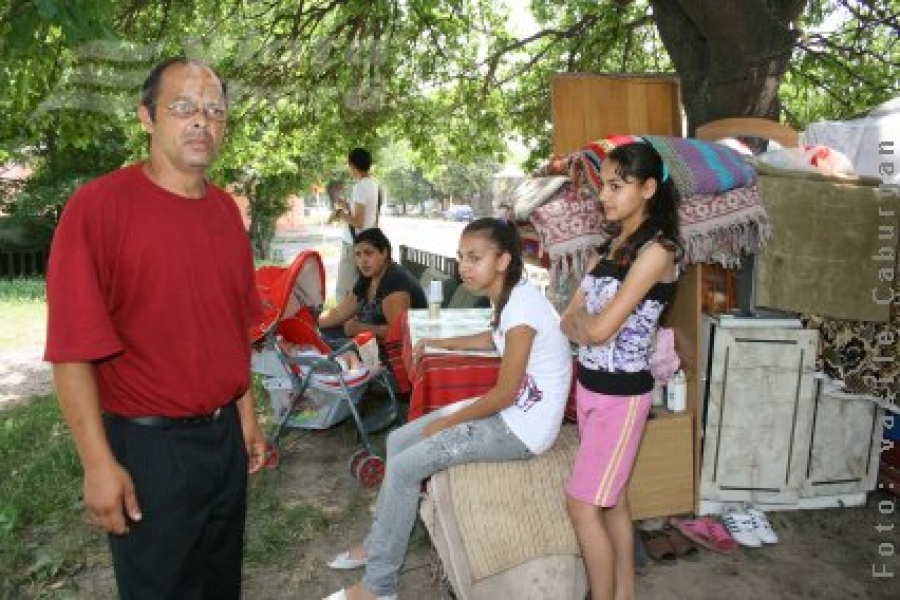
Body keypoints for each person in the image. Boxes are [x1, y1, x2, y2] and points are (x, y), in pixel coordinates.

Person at [43, 57, 266, 600]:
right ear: (147, 117)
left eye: (214, 110)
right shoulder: (98, 209)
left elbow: (233, 326)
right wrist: (97, 463)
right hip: (149, 448)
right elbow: (71, 351)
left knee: (220, 585)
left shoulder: (225, 214)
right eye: (183, 107)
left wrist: (246, 417)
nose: (201, 122)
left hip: (223, 444)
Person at [323, 217, 573, 600]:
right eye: (461, 257)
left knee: (407, 467)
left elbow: (504, 393)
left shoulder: (522, 307)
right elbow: (494, 337)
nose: (463, 267)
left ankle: (378, 587)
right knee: (398, 440)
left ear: (503, 260)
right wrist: (448, 344)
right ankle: (380, 543)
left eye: (475, 258)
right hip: (514, 411)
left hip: (523, 429)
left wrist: (451, 422)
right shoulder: (510, 297)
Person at [559, 142, 681, 600]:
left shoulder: (659, 251)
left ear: (648, 188)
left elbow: (601, 327)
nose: (604, 196)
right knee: (612, 504)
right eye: (602, 186)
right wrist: (585, 327)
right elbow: (568, 320)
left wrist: (586, 326)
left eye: (616, 185)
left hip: (622, 398)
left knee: (582, 504)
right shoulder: (611, 248)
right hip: (591, 391)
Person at [318, 227, 426, 350]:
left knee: (321, 348)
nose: (362, 260)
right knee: (318, 337)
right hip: (370, 343)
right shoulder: (368, 277)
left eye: (368, 253)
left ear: (384, 253)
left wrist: (359, 328)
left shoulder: (395, 280)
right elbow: (338, 313)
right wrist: (310, 322)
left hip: (395, 355)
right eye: (358, 255)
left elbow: (400, 334)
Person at [334, 147, 380, 300]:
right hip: (366, 241)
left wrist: (341, 214)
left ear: (353, 166)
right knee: (360, 288)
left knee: (344, 290)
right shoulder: (373, 184)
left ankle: (341, 322)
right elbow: (365, 215)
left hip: (353, 244)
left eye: (349, 166)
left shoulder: (360, 187)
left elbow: (358, 221)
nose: (349, 169)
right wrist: (347, 206)